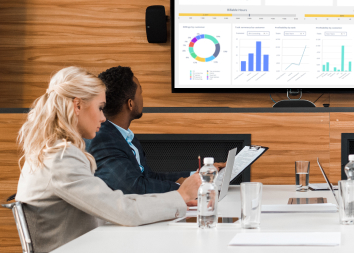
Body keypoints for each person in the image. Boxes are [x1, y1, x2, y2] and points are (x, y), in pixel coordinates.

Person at [15, 67, 201, 253]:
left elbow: (113, 201)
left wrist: (174, 200)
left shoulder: (53, 151)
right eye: (100, 108)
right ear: (77, 106)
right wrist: (180, 197)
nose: (104, 118)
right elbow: (121, 209)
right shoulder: (61, 158)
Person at [88, 66, 222, 194]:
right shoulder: (102, 138)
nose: (142, 97)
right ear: (130, 104)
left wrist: (199, 175)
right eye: (140, 92)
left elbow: (149, 177)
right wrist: (181, 187)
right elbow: (135, 188)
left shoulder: (125, 136)